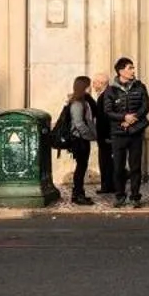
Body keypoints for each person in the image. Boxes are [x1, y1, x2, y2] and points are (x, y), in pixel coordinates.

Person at [100, 57, 149, 207]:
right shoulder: (111, 90)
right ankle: (120, 195)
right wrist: (123, 117)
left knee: (135, 167)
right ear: (121, 71)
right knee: (118, 167)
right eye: (130, 68)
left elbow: (145, 106)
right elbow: (108, 111)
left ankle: (135, 196)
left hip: (136, 132)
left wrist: (133, 118)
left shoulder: (140, 86)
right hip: (118, 133)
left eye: (133, 68)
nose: (133, 70)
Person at [57, 75, 99, 205]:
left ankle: (78, 193)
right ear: (84, 87)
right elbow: (79, 124)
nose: (91, 88)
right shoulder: (77, 103)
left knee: (81, 167)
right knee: (81, 168)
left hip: (82, 139)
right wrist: (89, 136)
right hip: (79, 140)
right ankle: (78, 195)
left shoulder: (82, 101)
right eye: (88, 85)